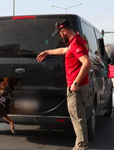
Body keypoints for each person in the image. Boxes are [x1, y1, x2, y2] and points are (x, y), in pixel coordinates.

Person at [37, 20, 91, 150]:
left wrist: (76, 83)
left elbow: (86, 63)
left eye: (59, 34)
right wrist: (47, 52)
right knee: (77, 116)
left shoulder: (77, 42)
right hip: (76, 86)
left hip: (76, 88)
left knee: (77, 117)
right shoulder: (75, 42)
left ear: (64, 31)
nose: (59, 36)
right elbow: (64, 50)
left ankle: (81, 147)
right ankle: (80, 145)